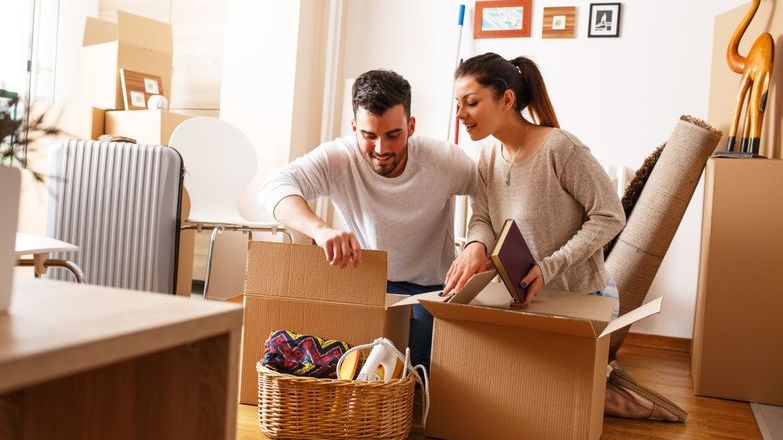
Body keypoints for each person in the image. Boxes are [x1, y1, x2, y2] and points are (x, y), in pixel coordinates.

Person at [261, 69, 477, 369]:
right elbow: (273, 188)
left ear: (411, 126)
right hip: (367, 285)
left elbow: (487, 197)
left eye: (393, 135)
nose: (381, 149)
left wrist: (476, 244)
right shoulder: (339, 157)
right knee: (352, 373)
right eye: (368, 135)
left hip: (431, 292)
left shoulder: (444, 160)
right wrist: (320, 229)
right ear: (354, 128)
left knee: (424, 375)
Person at [443, 52, 625, 311]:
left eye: (471, 103)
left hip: (582, 299)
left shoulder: (560, 148)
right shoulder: (488, 155)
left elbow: (610, 215)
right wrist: (476, 245)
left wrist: (548, 267)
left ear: (507, 99)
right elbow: (482, 218)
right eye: (457, 104)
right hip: (526, 299)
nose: (460, 114)